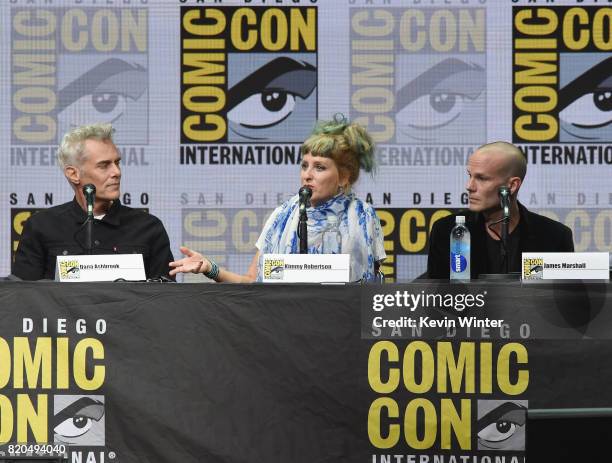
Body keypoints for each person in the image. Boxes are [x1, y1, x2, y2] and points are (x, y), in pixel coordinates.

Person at [170, 115, 386, 282]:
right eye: (304, 166)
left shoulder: (362, 215)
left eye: (319, 167)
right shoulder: (282, 215)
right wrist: (211, 268)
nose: (307, 174)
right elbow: (252, 282)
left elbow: (371, 289)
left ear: (344, 177)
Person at [13, 123, 174, 281]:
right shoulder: (41, 226)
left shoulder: (148, 227)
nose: (117, 172)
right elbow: (24, 297)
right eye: (104, 165)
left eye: (117, 163)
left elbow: (166, 298)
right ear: (73, 174)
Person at [427, 141, 574, 279]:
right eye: (470, 175)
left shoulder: (554, 236)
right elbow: (438, 298)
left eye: (482, 178)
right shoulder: (447, 230)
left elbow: (563, 300)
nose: (469, 186)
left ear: (512, 185)